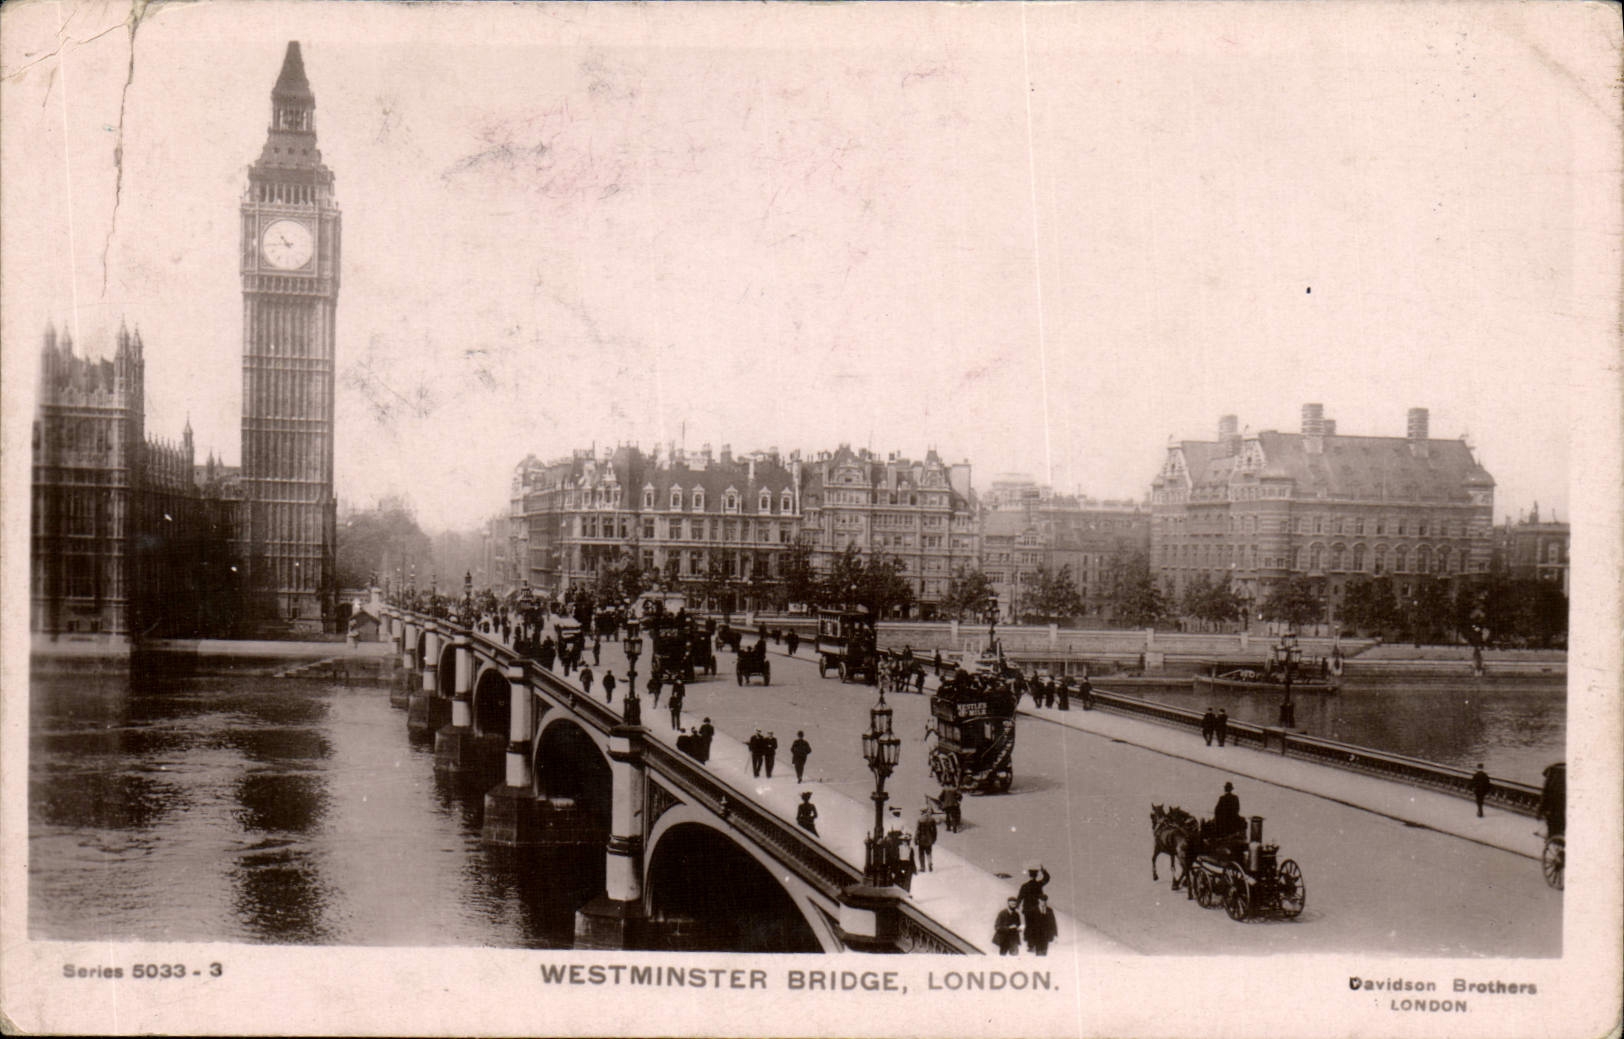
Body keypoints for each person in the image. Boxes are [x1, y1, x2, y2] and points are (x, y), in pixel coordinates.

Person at [915, 807, 938, 872]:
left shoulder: (919, 819)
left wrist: (916, 839)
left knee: (921, 853)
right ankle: (929, 862)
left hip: (921, 839)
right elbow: (935, 830)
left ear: (922, 812)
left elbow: (917, 830)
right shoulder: (932, 819)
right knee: (929, 852)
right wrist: (934, 838)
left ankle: (922, 867)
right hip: (929, 838)